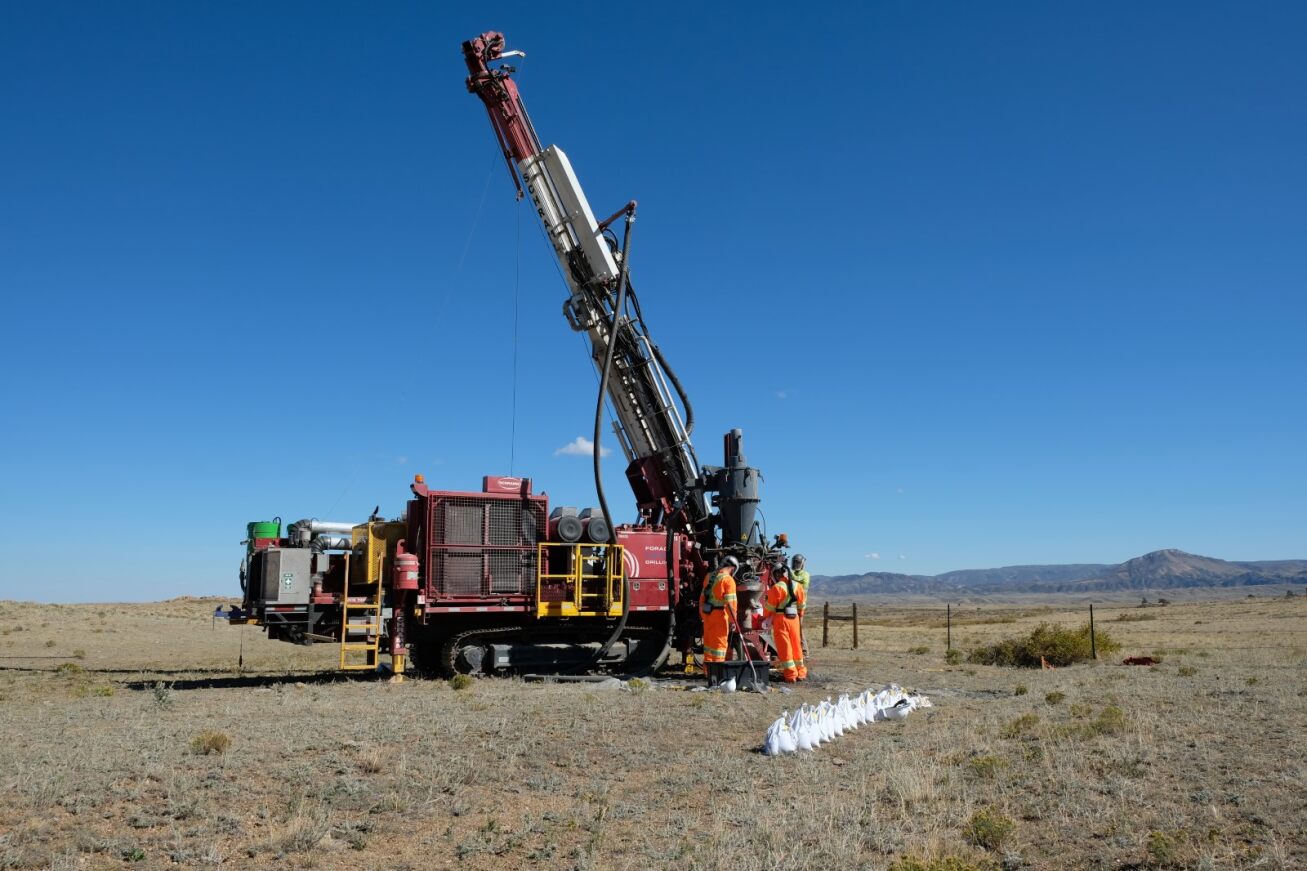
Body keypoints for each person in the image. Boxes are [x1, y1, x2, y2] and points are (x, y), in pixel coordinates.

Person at [764, 564, 806, 681]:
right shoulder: (798, 586)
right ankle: (801, 672)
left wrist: (764, 617)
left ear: (777, 574)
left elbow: (769, 608)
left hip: (781, 619)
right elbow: (802, 605)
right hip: (795, 619)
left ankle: (791, 675)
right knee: (796, 645)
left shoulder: (777, 587)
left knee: (785, 647)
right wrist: (800, 616)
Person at [699, 556, 739, 674]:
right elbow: (731, 605)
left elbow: (702, 599)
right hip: (720, 616)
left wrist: (703, 615)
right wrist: (733, 621)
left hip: (707, 615)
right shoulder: (728, 580)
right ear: (732, 568)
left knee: (708, 646)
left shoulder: (709, 577)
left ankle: (708, 673)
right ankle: (718, 674)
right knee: (719, 647)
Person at [791, 553, 811, 654]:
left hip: (799, 606)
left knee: (798, 628)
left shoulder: (805, 574)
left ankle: (804, 651)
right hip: (792, 606)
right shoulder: (792, 574)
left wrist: (789, 574)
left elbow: (798, 580)